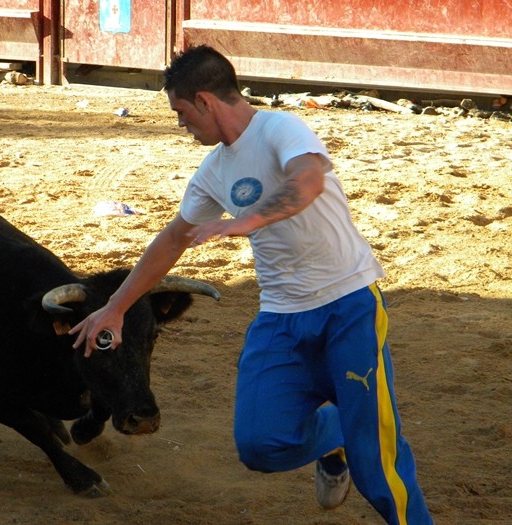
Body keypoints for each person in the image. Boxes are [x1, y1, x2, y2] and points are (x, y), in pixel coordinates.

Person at [70, 45, 433, 524]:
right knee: (261, 445)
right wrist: (116, 306)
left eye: (180, 111)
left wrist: (249, 221)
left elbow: (308, 181)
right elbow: (172, 239)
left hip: (348, 304)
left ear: (204, 100)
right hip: (281, 317)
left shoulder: (280, 128)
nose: (180, 123)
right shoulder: (213, 171)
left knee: (376, 462)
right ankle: (334, 431)